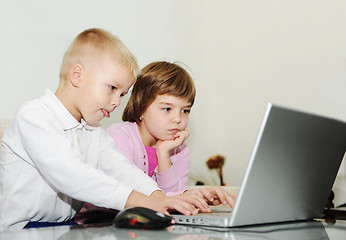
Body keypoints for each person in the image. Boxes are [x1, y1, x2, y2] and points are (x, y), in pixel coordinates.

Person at [0, 29, 210, 231]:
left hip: (66, 228)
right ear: (77, 75)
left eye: (121, 94)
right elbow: (72, 175)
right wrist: (139, 201)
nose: (116, 102)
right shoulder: (34, 116)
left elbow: (123, 170)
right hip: (20, 230)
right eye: (112, 88)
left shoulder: (93, 131)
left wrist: (158, 197)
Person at [106, 61, 235, 204]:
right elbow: (125, 195)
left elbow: (173, 201)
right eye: (167, 109)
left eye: (185, 111)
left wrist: (163, 154)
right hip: (99, 222)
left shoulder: (179, 149)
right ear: (141, 107)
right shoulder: (119, 137)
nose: (178, 119)